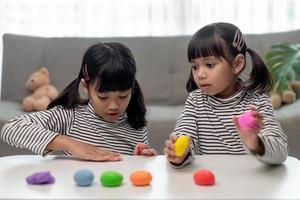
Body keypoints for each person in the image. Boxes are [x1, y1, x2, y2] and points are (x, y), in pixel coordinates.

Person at [1, 42, 157, 161]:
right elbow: (11, 128)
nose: (114, 106)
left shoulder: (136, 125)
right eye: (103, 97)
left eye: (123, 96)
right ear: (85, 87)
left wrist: (141, 159)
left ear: (132, 89)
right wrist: (70, 144)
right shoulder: (69, 117)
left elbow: (131, 171)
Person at [164, 22, 288, 168]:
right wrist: (178, 153)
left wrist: (256, 143)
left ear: (237, 64)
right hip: (213, 184)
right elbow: (184, 133)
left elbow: (281, 151)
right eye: (195, 67)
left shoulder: (256, 102)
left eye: (210, 65)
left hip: (250, 184)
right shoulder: (196, 101)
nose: (200, 74)